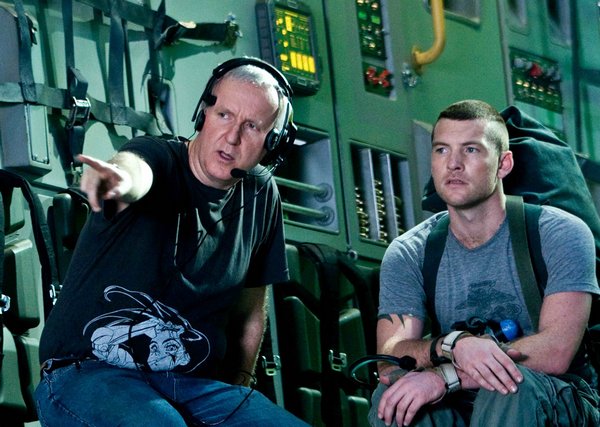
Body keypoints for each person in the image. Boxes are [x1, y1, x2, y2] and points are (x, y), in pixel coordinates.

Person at [34, 57, 309, 426]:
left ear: (273, 142)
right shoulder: (157, 155)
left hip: (195, 387)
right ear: (203, 114)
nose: (232, 137)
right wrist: (117, 180)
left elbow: (249, 313)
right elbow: (135, 170)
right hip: (87, 373)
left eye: (252, 126)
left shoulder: (261, 194)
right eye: (224, 115)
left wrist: (239, 389)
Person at [369, 99, 600, 426]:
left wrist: (445, 376)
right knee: (394, 396)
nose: (453, 164)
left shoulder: (559, 233)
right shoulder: (410, 252)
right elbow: (390, 357)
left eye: (471, 150)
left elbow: (556, 352)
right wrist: (453, 345)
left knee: (507, 389)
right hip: (464, 402)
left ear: (503, 164)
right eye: (442, 150)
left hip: (553, 396)